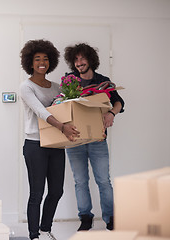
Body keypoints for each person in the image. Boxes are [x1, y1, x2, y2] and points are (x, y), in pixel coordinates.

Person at [20, 39, 80, 240]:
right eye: (37, 59)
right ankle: (34, 235)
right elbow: (41, 111)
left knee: (56, 190)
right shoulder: (26, 87)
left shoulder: (56, 87)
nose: (41, 62)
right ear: (30, 62)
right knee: (36, 193)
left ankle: (45, 228)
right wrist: (63, 127)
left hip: (55, 144)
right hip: (35, 145)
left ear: (51, 61)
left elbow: (65, 109)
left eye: (45, 58)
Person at [63, 43, 125, 231]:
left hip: (98, 140)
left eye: (82, 58)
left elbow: (119, 102)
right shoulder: (69, 81)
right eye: (76, 60)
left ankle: (111, 218)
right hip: (75, 141)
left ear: (90, 59)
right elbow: (60, 105)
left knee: (103, 181)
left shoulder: (102, 81)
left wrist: (111, 114)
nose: (79, 62)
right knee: (80, 181)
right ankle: (85, 218)